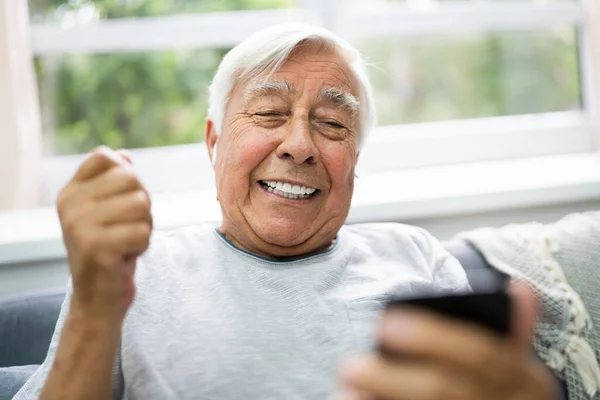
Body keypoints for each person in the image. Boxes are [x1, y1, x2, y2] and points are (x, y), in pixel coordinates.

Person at [15, 23, 557, 400]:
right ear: (213, 143)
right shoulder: (132, 272)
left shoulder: (416, 256)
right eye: (270, 112)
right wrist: (92, 307)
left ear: (355, 161)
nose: (299, 144)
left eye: (332, 123)